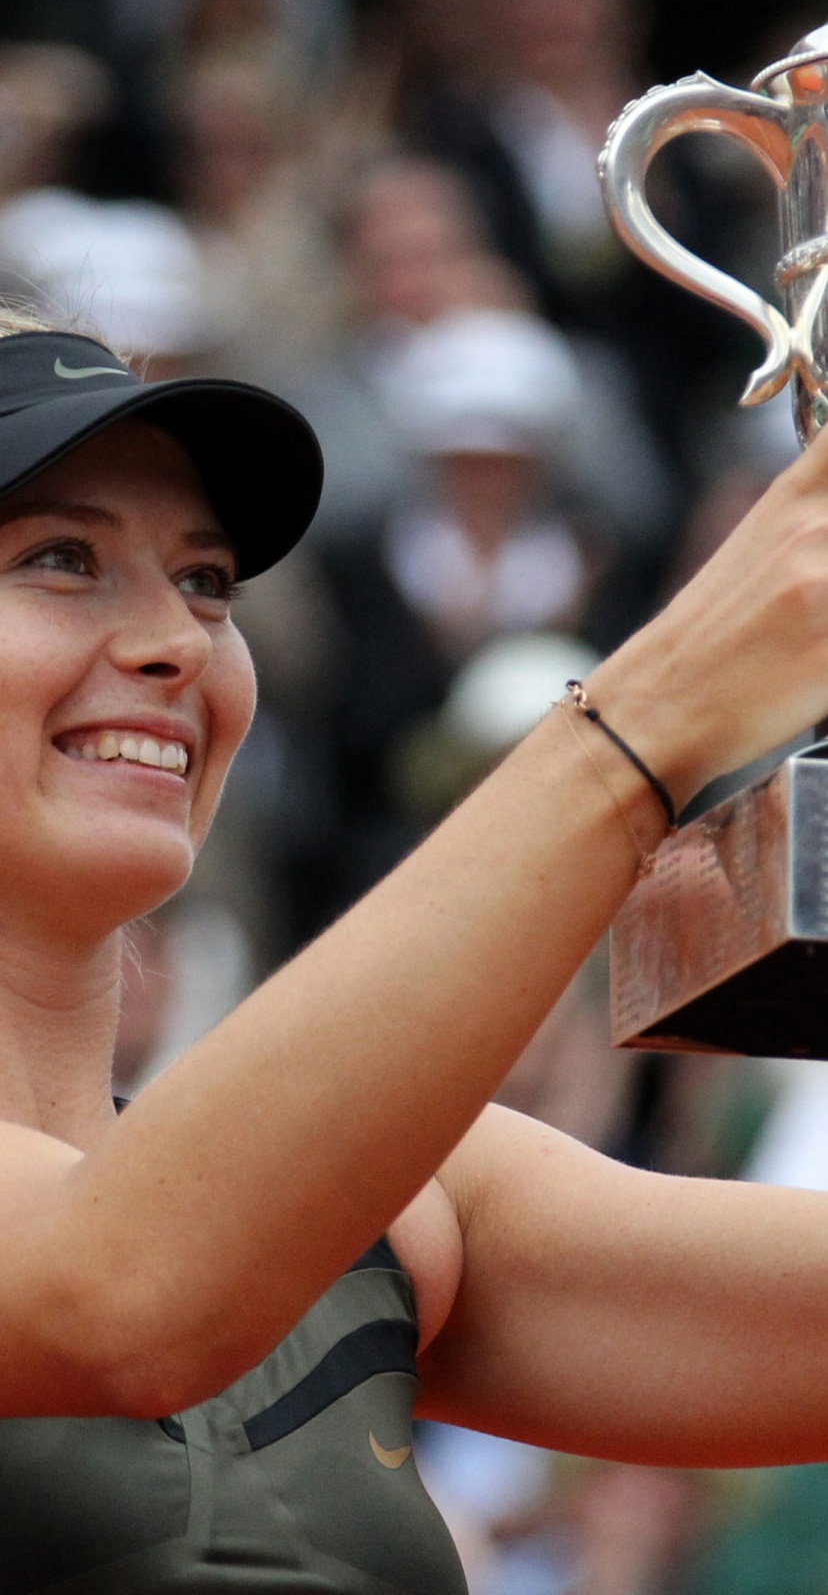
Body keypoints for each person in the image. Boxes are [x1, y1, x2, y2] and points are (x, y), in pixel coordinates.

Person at [4, 304, 828, 1593]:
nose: (176, 641)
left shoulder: (407, 1206)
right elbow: (122, 1291)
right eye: (59, 558)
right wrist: (650, 714)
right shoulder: (281, 1215)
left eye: (207, 582)